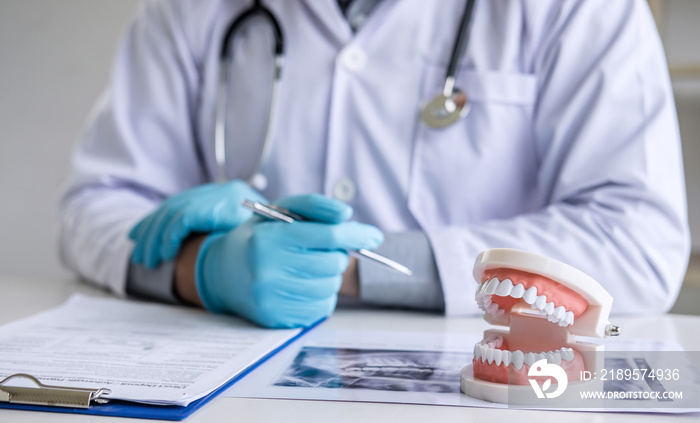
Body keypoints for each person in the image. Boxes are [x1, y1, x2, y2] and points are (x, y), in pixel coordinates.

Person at [58, 0, 690, 328]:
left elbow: (636, 240)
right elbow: (95, 204)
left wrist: (354, 268)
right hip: (229, 395)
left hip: (491, 399)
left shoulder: (582, 10)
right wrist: (205, 268)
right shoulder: (188, 11)